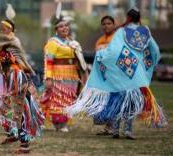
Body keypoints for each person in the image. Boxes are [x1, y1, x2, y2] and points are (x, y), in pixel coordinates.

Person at [65, 8, 167, 140]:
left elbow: (113, 52)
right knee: (130, 102)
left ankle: (115, 130)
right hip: (136, 73)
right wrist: (145, 63)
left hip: (122, 71)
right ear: (139, 17)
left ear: (128, 18)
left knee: (118, 100)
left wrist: (101, 55)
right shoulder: (145, 31)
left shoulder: (122, 31)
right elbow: (155, 51)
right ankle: (128, 130)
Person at [0, 33, 44, 153]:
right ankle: (12, 134)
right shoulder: (6, 71)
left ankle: (24, 146)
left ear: (2, 63)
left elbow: (21, 87)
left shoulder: (14, 71)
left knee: (20, 118)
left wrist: (10, 96)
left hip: (22, 98)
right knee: (2, 110)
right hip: (17, 96)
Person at [40, 18, 87, 132]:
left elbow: (79, 61)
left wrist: (82, 73)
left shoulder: (73, 43)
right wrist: (48, 77)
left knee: (68, 98)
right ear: (56, 29)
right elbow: (49, 61)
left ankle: (63, 122)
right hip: (58, 73)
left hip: (72, 75)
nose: (64, 28)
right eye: (61, 26)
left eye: (66, 26)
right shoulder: (53, 42)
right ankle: (58, 123)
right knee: (58, 99)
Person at [95, 15, 116, 136]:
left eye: (109, 23)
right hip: (104, 75)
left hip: (116, 74)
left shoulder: (118, 38)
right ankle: (109, 127)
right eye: (104, 24)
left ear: (114, 25)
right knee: (106, 101)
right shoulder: (99, 40)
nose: (106, 26)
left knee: (115, 100)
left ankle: (116, 127)